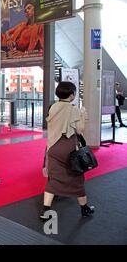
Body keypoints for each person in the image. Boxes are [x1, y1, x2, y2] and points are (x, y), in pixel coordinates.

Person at [40, 81, 94, 220]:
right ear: (71, 95)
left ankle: (45, 211)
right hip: (67, 147)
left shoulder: (53, 107)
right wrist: (83, 115)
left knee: (54, 179)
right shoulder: (73, 109)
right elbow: (80, 129)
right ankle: (84, 208)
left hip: (52, 147)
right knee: (76, 178)